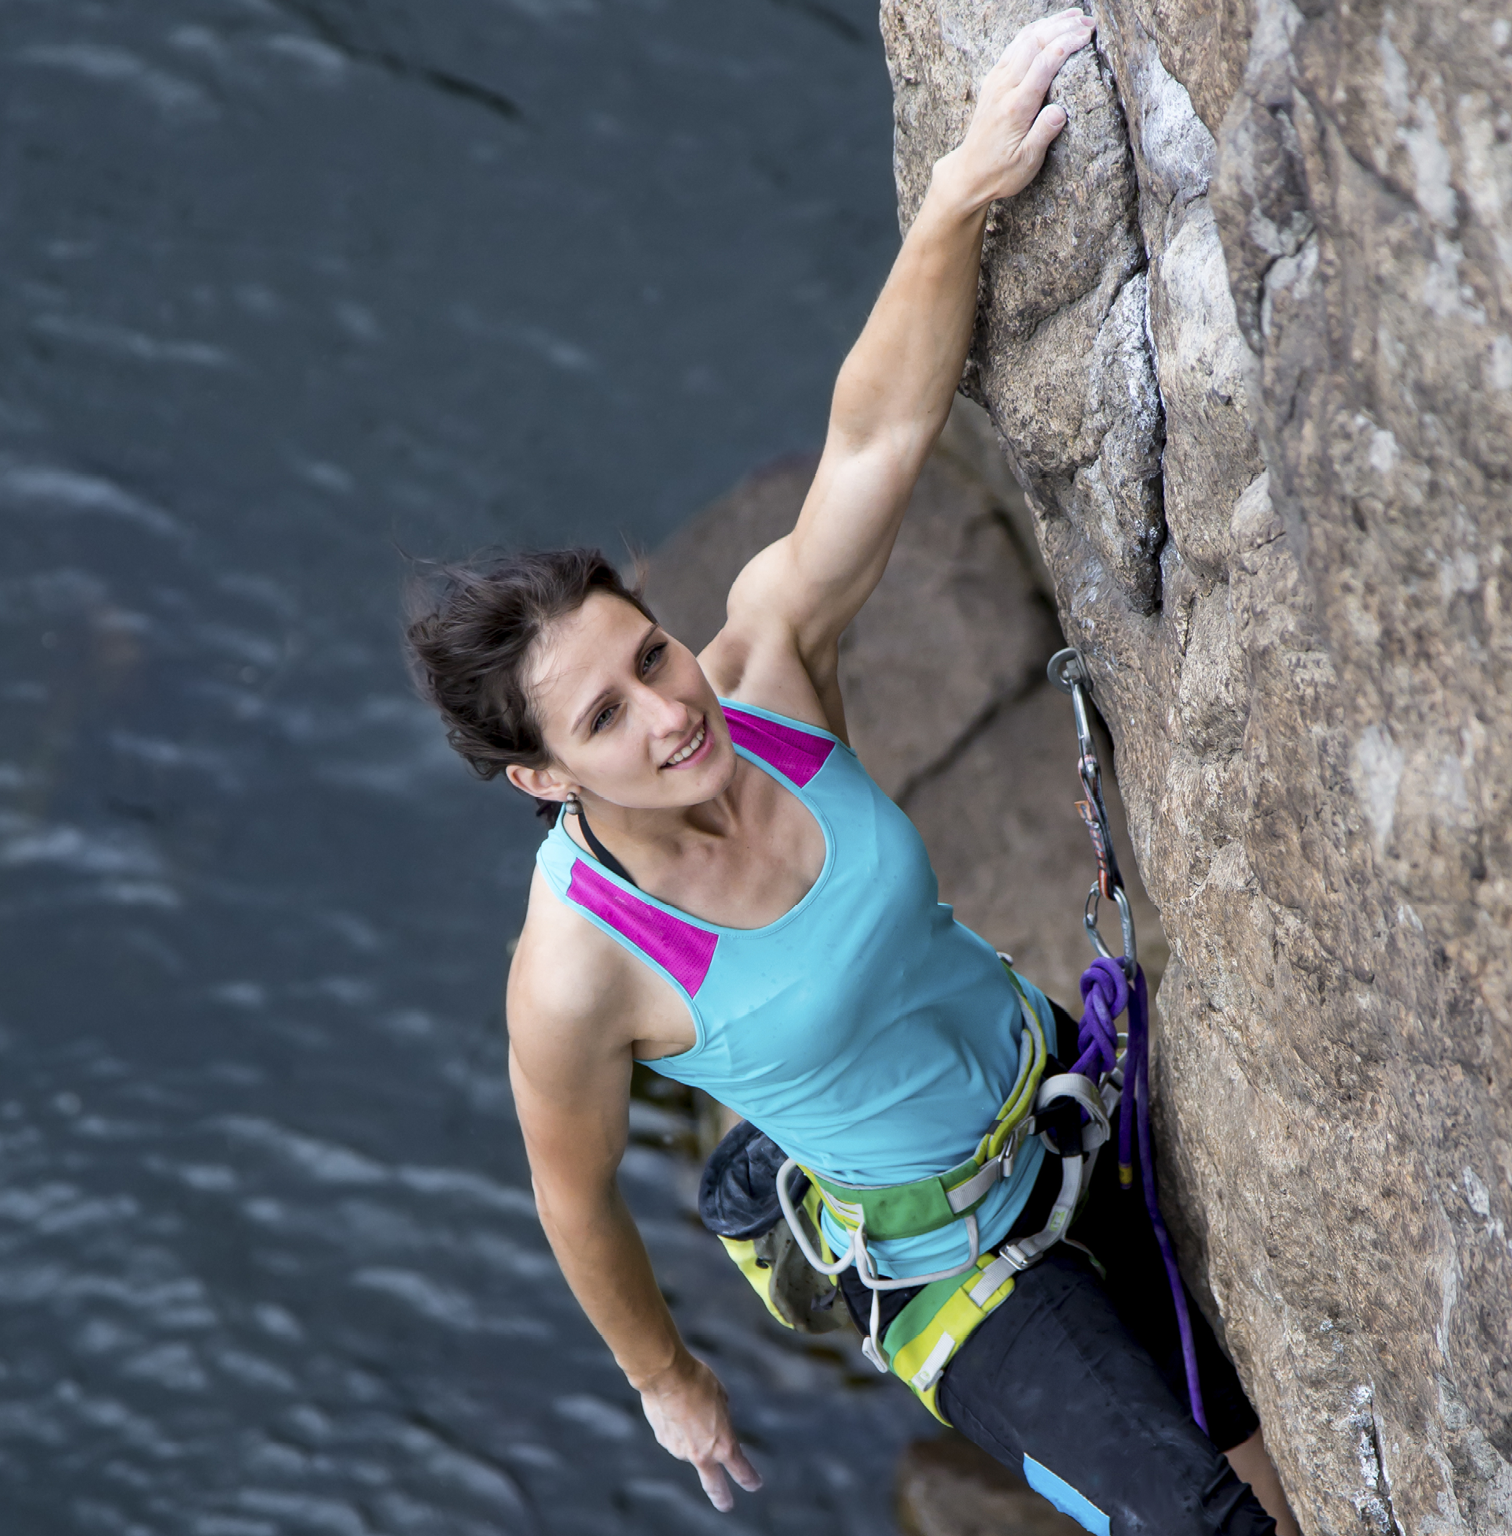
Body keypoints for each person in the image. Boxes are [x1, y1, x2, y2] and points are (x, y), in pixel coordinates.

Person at [405, 12, 1299, 1534]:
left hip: (1063, 1101)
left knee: (1257, 1435)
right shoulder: (578, 973)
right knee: (1203, 1524)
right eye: (606, 721)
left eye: (649, 656)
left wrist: (957, 197)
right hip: (955, 1277)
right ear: (544, 783)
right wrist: (665, 1377)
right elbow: (572, 1192)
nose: (667, 711)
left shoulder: (765, 671)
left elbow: (875, 439)